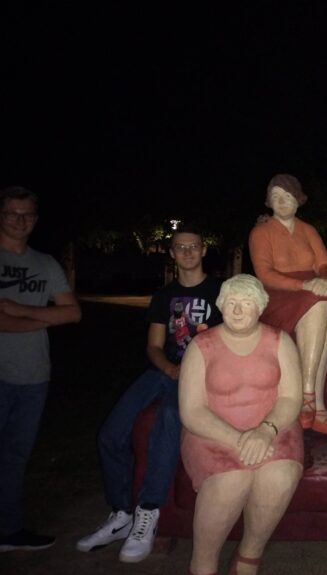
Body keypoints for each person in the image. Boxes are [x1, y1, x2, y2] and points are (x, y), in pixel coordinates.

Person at [75, 224, 222, 562]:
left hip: (199, 375)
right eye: (180, 247)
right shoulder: (164, 296)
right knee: (110, 433)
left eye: (193, 246)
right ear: (171, 254)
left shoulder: (219, 291)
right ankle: (121, 514)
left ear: (203, 250)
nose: (187, 252)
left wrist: (192, 372)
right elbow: (154, 346)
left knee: (168, 418)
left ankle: (149, 512)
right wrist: (169, 369)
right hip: (162, 372)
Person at [179, 274, 303, 575]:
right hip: (212, 434)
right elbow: (192, 411)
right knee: (231, 480)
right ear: (221, 305)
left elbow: (291, 399)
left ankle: (249, 557)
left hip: (274, 428)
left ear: (260, 307)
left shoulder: (280, 341)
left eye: (246, 303)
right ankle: (202, 564)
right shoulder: (201, 345)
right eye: (231, 302)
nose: (237, 310)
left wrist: (265, 431)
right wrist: (239, 439)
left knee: (280, 476)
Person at [0, 186, 81, 552]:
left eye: (27, 214)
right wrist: (46, 317)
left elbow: (73, 313)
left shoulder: (45, 263)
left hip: (34, 376)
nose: (20, 221)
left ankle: (10, 530)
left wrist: (19, 310)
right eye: (12, 213)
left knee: (16, 457)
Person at [249, 174, 327, 435]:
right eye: (276, 196)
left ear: (298, 200)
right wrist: (305, 285)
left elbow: (325, 266)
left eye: (287, 196)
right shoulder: (261, 232)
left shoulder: (308, 230)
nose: (282, 201)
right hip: (279, 294)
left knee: (323, 308)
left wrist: (324, 280)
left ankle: (313, 403)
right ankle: (310, 397)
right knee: (321, 302)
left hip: (312, 293)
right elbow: (264, 274)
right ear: (269, 201)